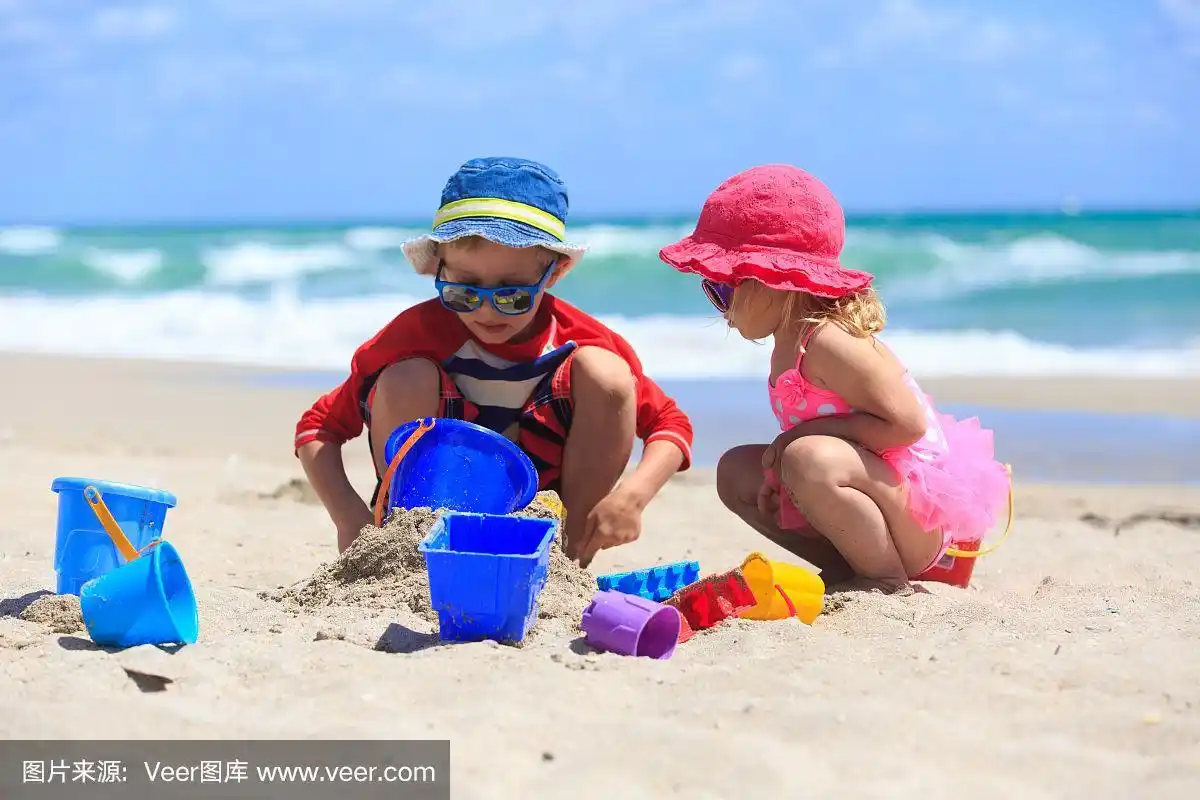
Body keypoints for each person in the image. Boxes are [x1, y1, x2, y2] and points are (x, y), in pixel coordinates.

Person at [294, 156, 693, 566]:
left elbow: (669, 425)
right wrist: (349, 518)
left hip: (546, 517)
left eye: (512, 294)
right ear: (439, 267)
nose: (487, 311)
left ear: (552, 274)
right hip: (428, 517)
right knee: (406, 375)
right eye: (464, 290)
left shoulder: (578, 337)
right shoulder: (412, 335)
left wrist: (632, 497)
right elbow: (318, 428)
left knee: (606, 374)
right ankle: (410, 548)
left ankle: (566, 556)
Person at [658, 164, 1010, 591]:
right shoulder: (788, 343)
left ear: (775, 282)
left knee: (808, 458)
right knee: (736, 471)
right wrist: (784, 470)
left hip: (923, 523)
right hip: (876, 502)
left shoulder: (828, 343)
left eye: (724, 289)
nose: (721, 308)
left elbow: (908, 425)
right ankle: (852, 565)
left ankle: (882, 578)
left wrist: (801, 445)